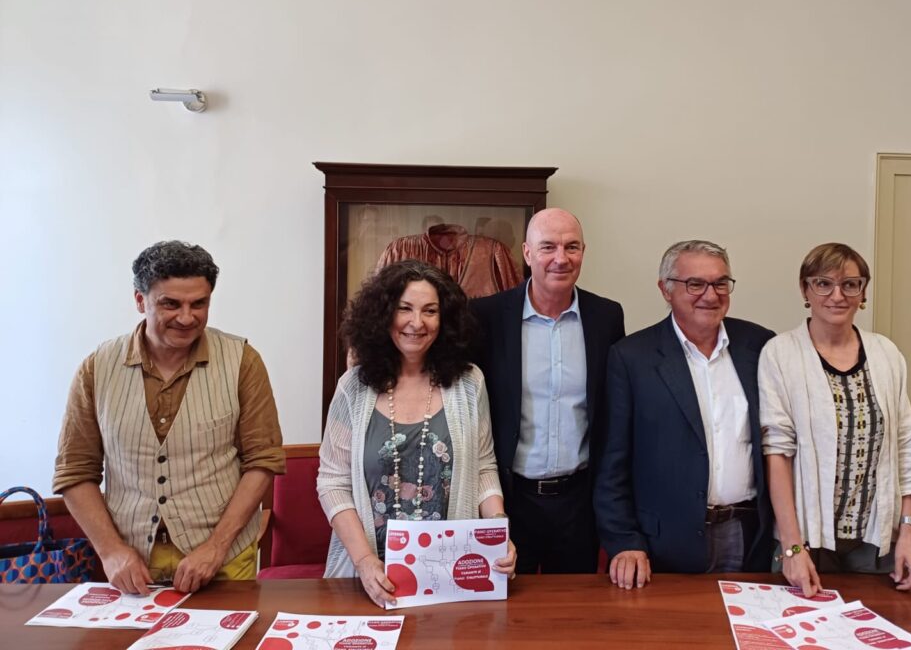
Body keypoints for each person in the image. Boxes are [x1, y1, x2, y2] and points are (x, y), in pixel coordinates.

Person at [53, 241, 285, 594]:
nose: (187, 317)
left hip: (224, 560)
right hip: (131, 563)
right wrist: (111, 550)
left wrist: (216, 547)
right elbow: (75, 471)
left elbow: (262, 461)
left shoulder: (243, 362)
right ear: (139, 300)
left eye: (199, 304)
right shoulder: (96, 368)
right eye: (170, 304)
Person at [317, 259, 515, 607]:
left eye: (430, 311)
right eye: (404, 308)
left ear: (445, 319)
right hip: (368, 577)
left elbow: (484, 467)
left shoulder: (470, 383)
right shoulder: (352, 388)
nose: (417, 322)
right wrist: (365, 563)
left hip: (449, 575)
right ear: (383, 314)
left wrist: (497, 531)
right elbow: (332, 483)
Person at [595, 240, 774, 589]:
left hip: (749, 535)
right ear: (666, 289)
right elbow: (612, 464)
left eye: (721, 283)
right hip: (664, 544)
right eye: (695, 284)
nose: (711, 295)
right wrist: (625, 540)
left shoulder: (760, 346)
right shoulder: (632, 358)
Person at [759, 243, 911, 596]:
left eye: (850, 284)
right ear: (805, 289)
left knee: (885, 623)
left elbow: (906, 446)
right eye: (823, 283)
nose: (837, 296)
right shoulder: (781, 354)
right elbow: (777, 454)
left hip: (876, 541)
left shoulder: (886, 354)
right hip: (806, 541)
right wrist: (792, 547)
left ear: (863, 292)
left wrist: (908, 531)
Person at [472, 208, 625, 574]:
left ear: (583, 252)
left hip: (579, 501)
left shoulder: (606, 317)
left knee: (573, 605)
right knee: (508, 600)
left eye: (572, 247)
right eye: (548, 247)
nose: (561, 258)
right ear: (527, 253)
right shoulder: (486, 316)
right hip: (509, 497)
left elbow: (612, 409)